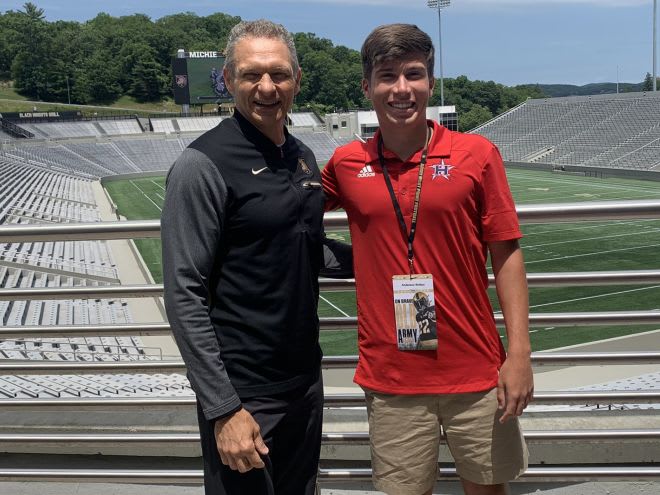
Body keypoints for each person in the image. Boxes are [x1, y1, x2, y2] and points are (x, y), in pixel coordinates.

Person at [322, 23, 533, 495]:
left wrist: (518, 354)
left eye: (413, 74)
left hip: (477, 370)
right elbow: (282, 209)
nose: (401, 89)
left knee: (487, 489)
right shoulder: (346, 163)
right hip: (392, 375)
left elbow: (507, 252)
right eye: (387, 76)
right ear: (367, 87)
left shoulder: (477, 154)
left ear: (430, 83)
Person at [162, 19, 350, 495]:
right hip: (243, 391)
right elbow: (184, 291)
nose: (267, 87)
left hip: (304, 379)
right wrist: (223, 408)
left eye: (279, 74)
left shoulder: (303, 156)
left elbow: (307, 248)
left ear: (297, 80)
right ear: (228, 79)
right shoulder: (201, 165)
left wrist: (391, 259)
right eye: (251, 75)